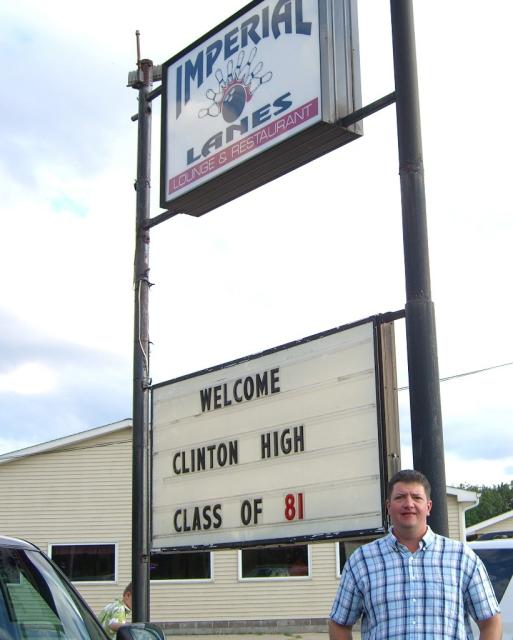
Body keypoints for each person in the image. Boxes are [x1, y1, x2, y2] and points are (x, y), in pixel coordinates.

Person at [329, 469, 502, 639]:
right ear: (388, 507)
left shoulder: (462, 558)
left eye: (417, 497)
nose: (409, 504)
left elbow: (491, 622)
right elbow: (339, 624)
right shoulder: (362, 561)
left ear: (428, 507)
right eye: (400, 497)